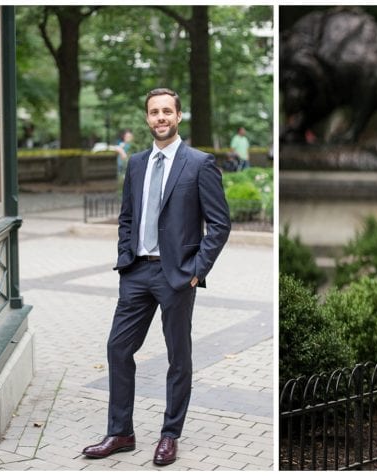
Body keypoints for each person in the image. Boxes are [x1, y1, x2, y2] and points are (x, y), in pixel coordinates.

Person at [82, 88, 231, 466]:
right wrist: (124, 258)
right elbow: (127, 216)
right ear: (147, 119)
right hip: (136, 272)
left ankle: (169, 434)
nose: (160, 117)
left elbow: (219, 223)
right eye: (154, 112)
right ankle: (121, 432)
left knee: (178, 357)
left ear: (179, 116)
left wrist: (197, 270)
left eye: (167, 111)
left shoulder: (198, 163)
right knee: (118, 348)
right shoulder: (135, 163)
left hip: (177, 275)